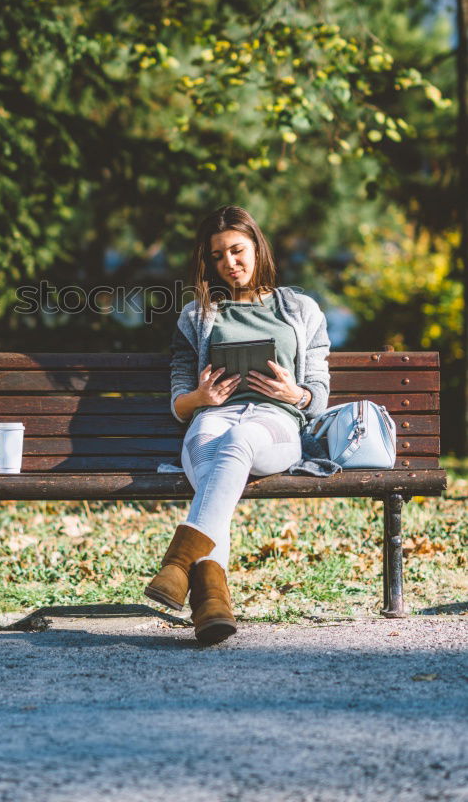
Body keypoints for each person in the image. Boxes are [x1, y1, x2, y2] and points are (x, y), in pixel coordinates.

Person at [144, 204, 331, 646]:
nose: (229, 263)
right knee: (218, 453)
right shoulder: (196, 316)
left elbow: (318, 392)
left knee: (241, 439)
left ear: (257, 248)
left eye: (237, 250)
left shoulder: (299, 308)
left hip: (275, 424)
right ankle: (211, 607)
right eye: (218, 255)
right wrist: (200, 399)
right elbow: (179, 398)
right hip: (211, 419)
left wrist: (295, 394)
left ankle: (178, 564)